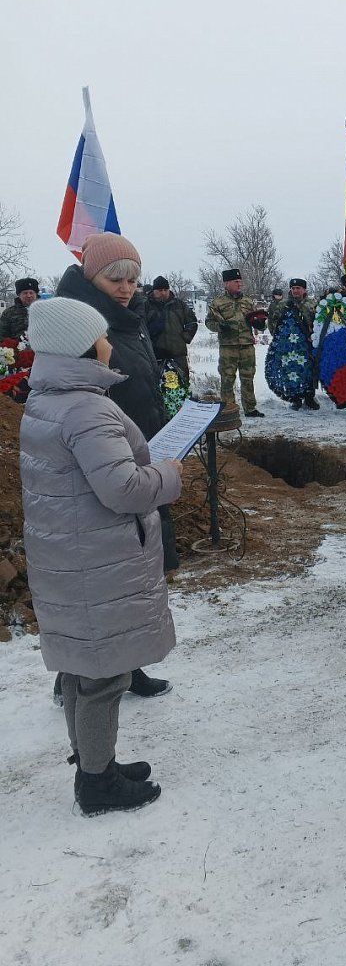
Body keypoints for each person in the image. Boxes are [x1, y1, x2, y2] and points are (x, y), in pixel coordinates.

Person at [21, 297, 183, 815]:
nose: (111, 342)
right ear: (86, 346)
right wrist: (171, 473)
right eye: (103, 334)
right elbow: (123, 489)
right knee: (101, 677)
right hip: (97, 557)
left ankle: (96, 762)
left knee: (80, 671)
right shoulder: (86, 407)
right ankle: (97, 782)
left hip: (71, 554)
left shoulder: (50, 397)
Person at [57, 233, 178, 698]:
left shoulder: (126, 319)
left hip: (137, 450)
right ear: (92, 276)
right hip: (102, 459)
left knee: (132, 570)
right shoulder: (79, 324)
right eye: (115, 278)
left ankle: (119, 666)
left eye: (133, 278)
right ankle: (84, 673)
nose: (127, 288)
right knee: (102, 575)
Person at [205, 268, 267, 418]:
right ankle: (229, 409)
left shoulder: (248, 301)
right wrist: (220, 327)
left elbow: (257, 320)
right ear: (227, 283)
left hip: (246, 345)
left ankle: (250, 408)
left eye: (240, 281)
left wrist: (259, 324)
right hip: (228, 347)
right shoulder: (218, 303)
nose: (239, 284)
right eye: (236, 282)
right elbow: (209, 322)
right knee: (227, 379)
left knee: (248, 377)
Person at [272, 278, 319, 410]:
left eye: (298, 288)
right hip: (289, 345)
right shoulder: (283, 305)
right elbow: (274, 322)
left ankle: (310, 397)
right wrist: (278, 338)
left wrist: (314, 336)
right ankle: (295, 398)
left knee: (308, 369)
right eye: (293, 288)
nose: (295, 291)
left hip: (307, 343)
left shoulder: (311, 304)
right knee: (291, 369)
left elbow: (318, 322)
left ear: (304, 290)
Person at [144, 276, 198, 381]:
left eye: (165, 290)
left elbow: (192, 322)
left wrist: (185, 337)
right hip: (154, 356)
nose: (163, 293)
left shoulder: (179, 305)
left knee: (181, 386)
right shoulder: (146, 306)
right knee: (156, 387)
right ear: (154, 291)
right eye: (160, 290)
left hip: (178, 355)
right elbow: (140, 328)